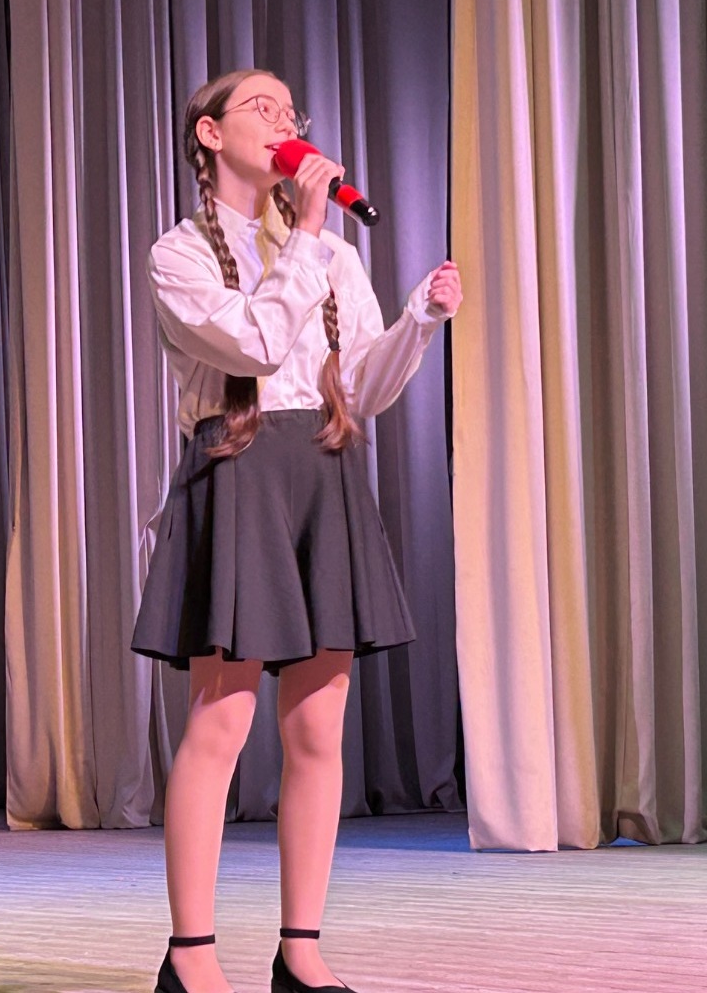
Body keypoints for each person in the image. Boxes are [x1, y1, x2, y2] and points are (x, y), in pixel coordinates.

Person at [131, 68, 463, 993]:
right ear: (210, 134)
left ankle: (301, 949)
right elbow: (255, 345)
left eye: (291, 111)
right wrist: (310, 235)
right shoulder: (178, 254)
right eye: (262, 109)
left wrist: (420, 320)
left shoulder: (329, 257)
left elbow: (359, 388)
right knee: (223, 720)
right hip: (239, 472)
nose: (286, 124)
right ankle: (191, 956)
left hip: (322, 471)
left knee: (320, 728)